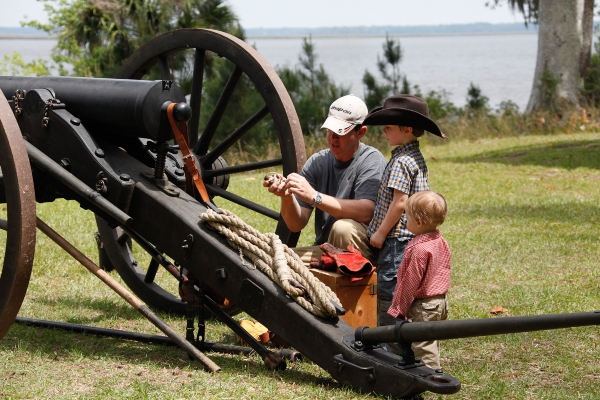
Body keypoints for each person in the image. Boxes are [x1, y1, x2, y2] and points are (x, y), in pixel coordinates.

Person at [264, 94, 387, 264]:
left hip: (361, 254)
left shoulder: (372, 160)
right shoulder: (317, 161)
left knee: (342, 229)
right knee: (275, 260)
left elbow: (367, 212)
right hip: (326, 251)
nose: (332, 138)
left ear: (361, 132)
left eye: (340, 132)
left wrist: (315, 197)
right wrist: (287, 196)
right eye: (330, 131)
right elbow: (296, 224)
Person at [362, 94, 447, 327]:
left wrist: (379, 233)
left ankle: (389, 343)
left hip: (396, 239)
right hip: (409, 237)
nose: (384, 132)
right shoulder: (414, 156)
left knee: (389, 292)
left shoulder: (401, 162)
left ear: (407, 129)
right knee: (404, 289)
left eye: (388, 127)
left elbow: (400, 203)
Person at [387, 190, 451, 371]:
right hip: (440, 302)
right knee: (432, 338)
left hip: (424, 306)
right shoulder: (440, 240)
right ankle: (433, 369)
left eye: (407, 217)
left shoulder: (418, 249)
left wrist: (399, 308)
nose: (405, 220)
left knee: (423, 344)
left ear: (419, 222)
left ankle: (430, 377)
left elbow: (409, 282)